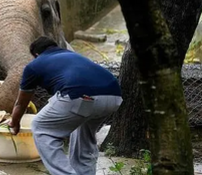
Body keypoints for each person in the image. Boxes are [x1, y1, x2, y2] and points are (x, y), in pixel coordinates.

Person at [8, 36, 123, 175]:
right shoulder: (73, 56)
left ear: (36, 54)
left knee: (40, 126)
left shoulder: (34, 65)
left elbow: (21, 103)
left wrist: (14, 122)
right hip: (114, 97)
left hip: (81, 96)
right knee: (83, 134)